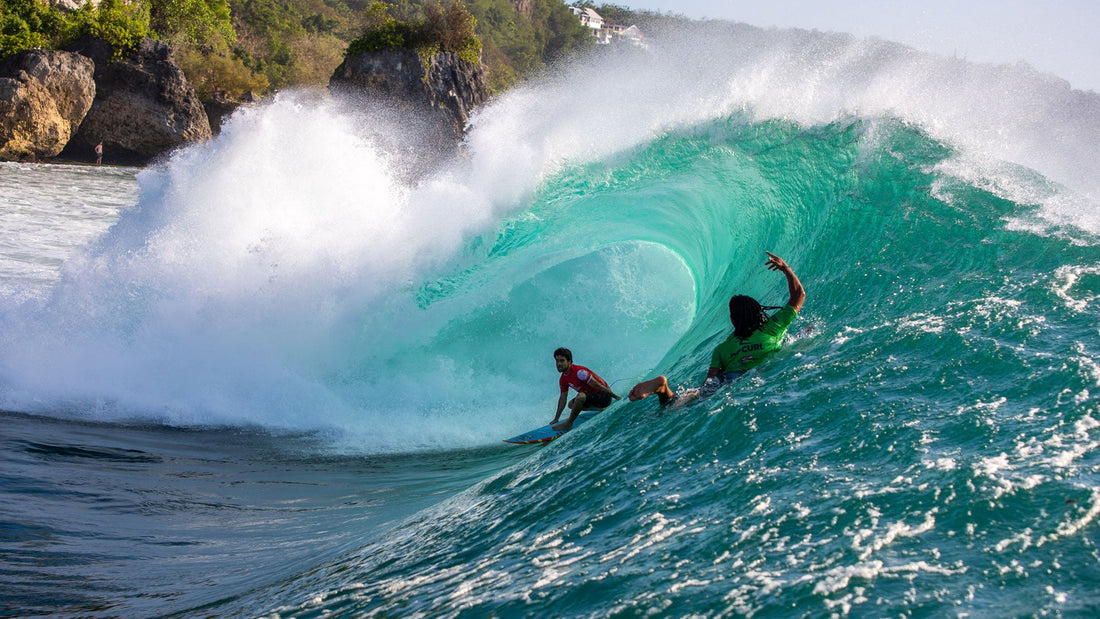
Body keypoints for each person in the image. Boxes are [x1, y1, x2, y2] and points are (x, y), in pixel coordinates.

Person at [628, 251, 806, 405]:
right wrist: (785, 268)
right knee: (802, 336)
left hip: (729, 379)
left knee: (691, 398)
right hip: (756, 371)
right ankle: (662, 388)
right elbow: (799, 295)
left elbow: (710, 383)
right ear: (758, 313)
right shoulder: (771, 328)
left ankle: (663, 388)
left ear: (733, 320)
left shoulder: (722, 349)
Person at [550, 347, 621, 431]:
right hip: (592, 399)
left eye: (562, 361)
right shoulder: (563, 379)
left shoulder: (580, 372)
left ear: (569, 362)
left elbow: (598, 386)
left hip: (604, 397)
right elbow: (562, 398)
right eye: (557, 361)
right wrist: (556, 418)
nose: (558, 364)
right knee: (571, 405)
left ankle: (568, 423)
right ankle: (600, 409)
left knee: (580, 397)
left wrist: (615, 397)